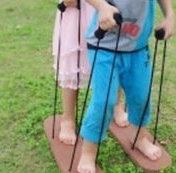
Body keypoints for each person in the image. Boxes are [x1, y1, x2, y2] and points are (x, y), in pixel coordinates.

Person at [77, 0, 176, 173]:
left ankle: (138, 137)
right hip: (103, 47)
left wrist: (170, 16)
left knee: (141, 97)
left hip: (137, 49)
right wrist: (101, 6)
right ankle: (88, 151)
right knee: (104, 101)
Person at [52, 0, 129, 146]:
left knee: (114, 55)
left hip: (109, 8)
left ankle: (118, 105)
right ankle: (68, 118)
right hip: (77, 10)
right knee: (73, 61)